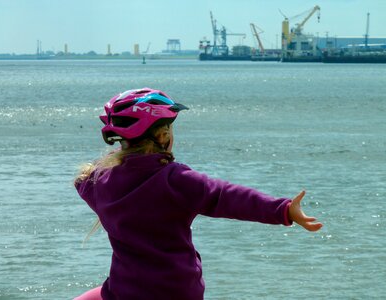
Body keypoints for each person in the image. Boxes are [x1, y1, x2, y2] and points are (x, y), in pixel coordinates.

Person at [73, 88, 323, 300]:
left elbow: (82, 181)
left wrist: (116, 162)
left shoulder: (100, 182)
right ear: (162, 136)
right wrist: (283, 209)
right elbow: (228, 197)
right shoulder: (175, 180)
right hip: (178, 292)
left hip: (123, 292)